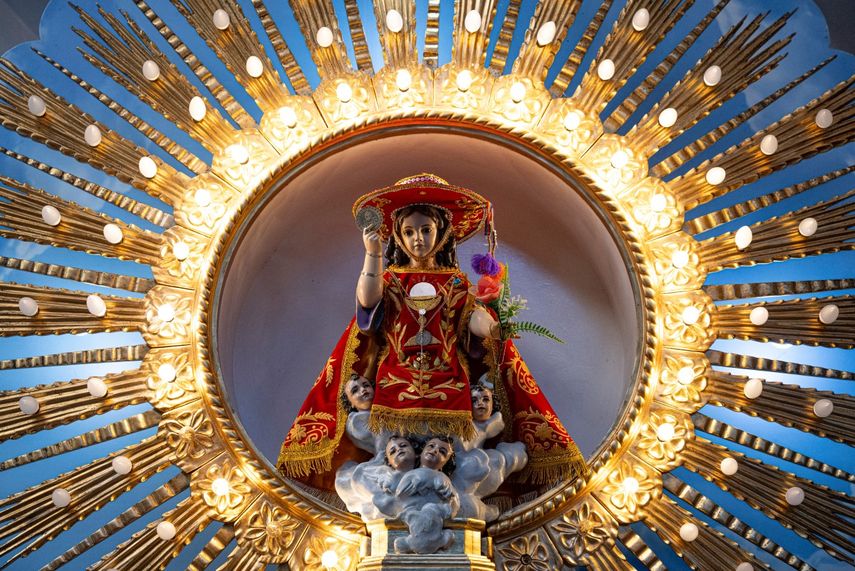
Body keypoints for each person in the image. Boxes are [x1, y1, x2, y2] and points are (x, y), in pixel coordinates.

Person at [278, 174, 586, 488]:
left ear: (442, 233)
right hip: (394, 383)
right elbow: (367, 301)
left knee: (455, 455)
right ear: (398, 236)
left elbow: (471, 318)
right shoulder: (391, 279)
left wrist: (492, 326)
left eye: (426, 230)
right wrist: (373, 253)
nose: (418, 239)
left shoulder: (455, 282)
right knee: (392, 455)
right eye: (409, 232)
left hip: (449, 383)